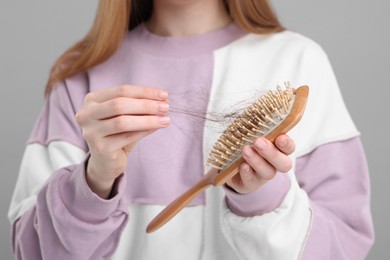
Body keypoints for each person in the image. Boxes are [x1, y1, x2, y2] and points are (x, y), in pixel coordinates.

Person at [8, 0, 374, 259]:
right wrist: (93, 182)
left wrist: (262, 199)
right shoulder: (82, 77)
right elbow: (33, 254)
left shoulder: (298, 60)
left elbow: (344, 246)